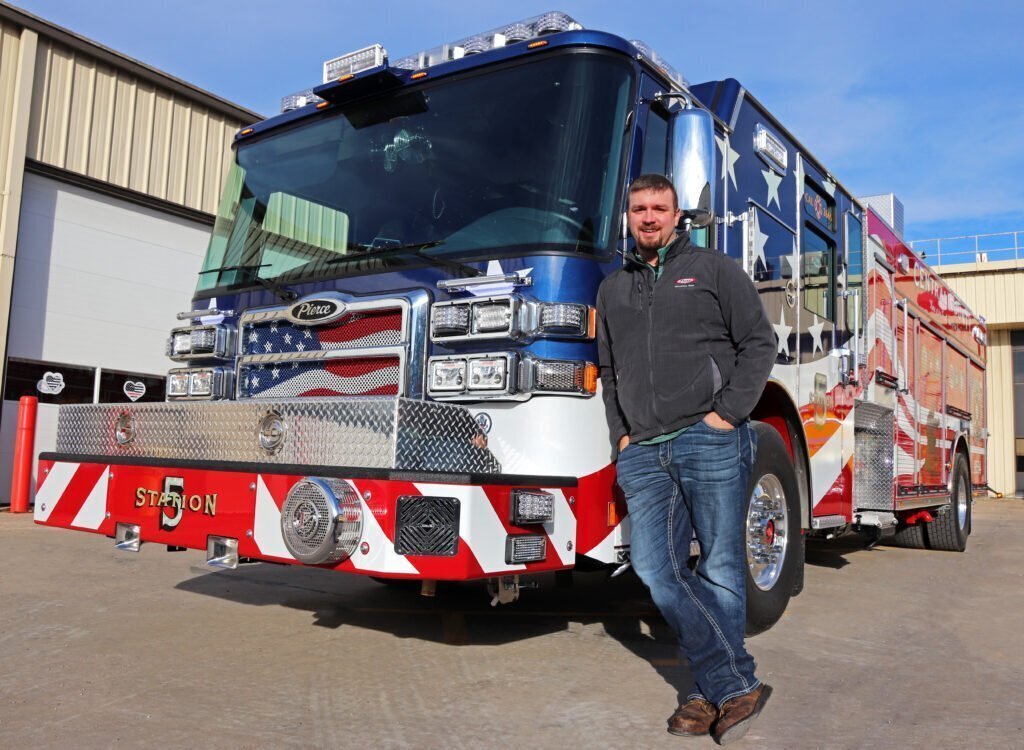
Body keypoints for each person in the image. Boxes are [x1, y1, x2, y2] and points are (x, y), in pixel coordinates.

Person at [596, 174, 776, 745]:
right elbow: (609, 372)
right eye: (639, 209)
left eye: (659, 208)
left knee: (720, 566)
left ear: (678, 216)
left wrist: (725, 415)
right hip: (643, 451)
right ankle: (733, 682)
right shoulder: (612, 289)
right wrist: (621, 436)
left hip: (709, 437)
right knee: (656, 569)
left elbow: (759, 343)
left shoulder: (715, 269)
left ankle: (704, 695)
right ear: (627, 216)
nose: (649, 218)